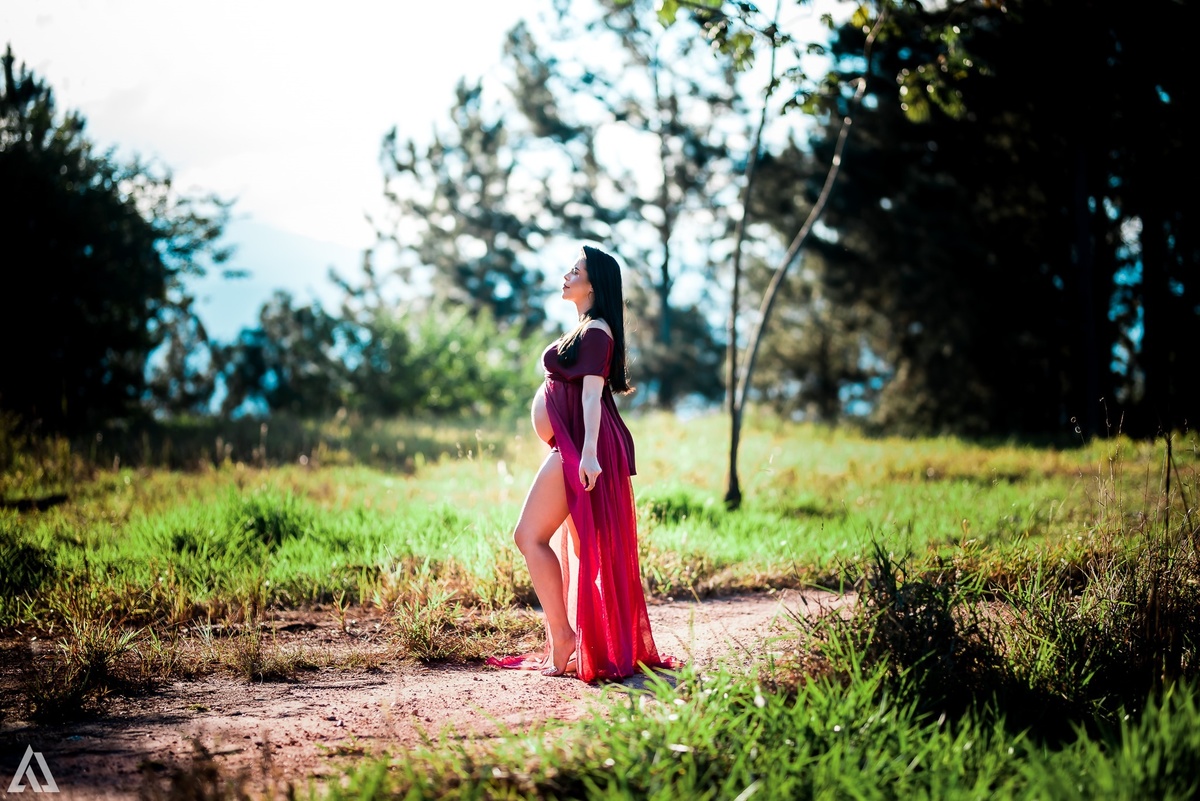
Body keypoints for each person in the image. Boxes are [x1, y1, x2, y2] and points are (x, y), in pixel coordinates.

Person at [487, 245, 679, 681]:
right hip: (573, 446)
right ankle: (581, 640)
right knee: (578, 547)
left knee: (529, 536)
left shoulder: (597, 331)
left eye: (575, 270)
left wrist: (588, 453)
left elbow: (592, 395)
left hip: (583, 450)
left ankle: (564, 638)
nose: (566, 275)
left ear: (593, 284)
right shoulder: (586, 328)